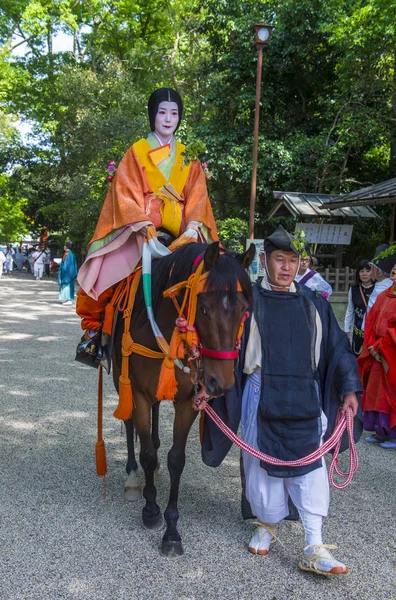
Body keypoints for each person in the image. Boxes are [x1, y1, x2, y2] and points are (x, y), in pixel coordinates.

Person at [202, 225, 361, 576]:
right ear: (264, 260)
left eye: (293, 260)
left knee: (311, 468)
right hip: (260, 393)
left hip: (306, 395)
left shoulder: (313, 303)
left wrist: (349, 389)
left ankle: (314, 543)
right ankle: (266, 525)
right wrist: (209, 387)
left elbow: (338, 348)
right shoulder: (247, 302)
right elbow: (221, 340)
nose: (286, 267)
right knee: (260, 465)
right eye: (279, 259)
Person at [75, 87, 218, 363]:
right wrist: (140, 222)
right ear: (153, 115)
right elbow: (125, 191)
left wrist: (194, 225)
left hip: (183, 235)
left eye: (174, 113)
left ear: (180, 117)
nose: (168, 119)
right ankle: (93, 337)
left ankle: (215, 348)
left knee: (216, 283)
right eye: (162, 112)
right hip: (140, 231)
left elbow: (198, 196)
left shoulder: (189, 156)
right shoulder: (137, 152)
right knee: (107, 276)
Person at [358, 246, 396, 448]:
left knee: (391, 393)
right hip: (378, 352)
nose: (394, 270)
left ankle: (393, 433)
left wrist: (382, 346)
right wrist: (372, 345)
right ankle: (380, 431)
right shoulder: (383, 295)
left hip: (391, 353)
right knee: (375, 392)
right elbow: (371, 320)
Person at [344, 260, 375, 356]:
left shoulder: (378, 289)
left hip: (372, 331)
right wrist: (346, 330)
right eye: (361, 271)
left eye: (367, 271)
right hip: (358, 331)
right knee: (357, 356)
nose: (364, 274)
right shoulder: (354, 289)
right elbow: (350, 310)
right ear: (358, 273)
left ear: (373, 272)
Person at [362, 244, 393, 330]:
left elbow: (372, 316)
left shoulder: (380, 290)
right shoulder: (390, 285)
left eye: (372, 267)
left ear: (378, 271)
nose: (371, 270)